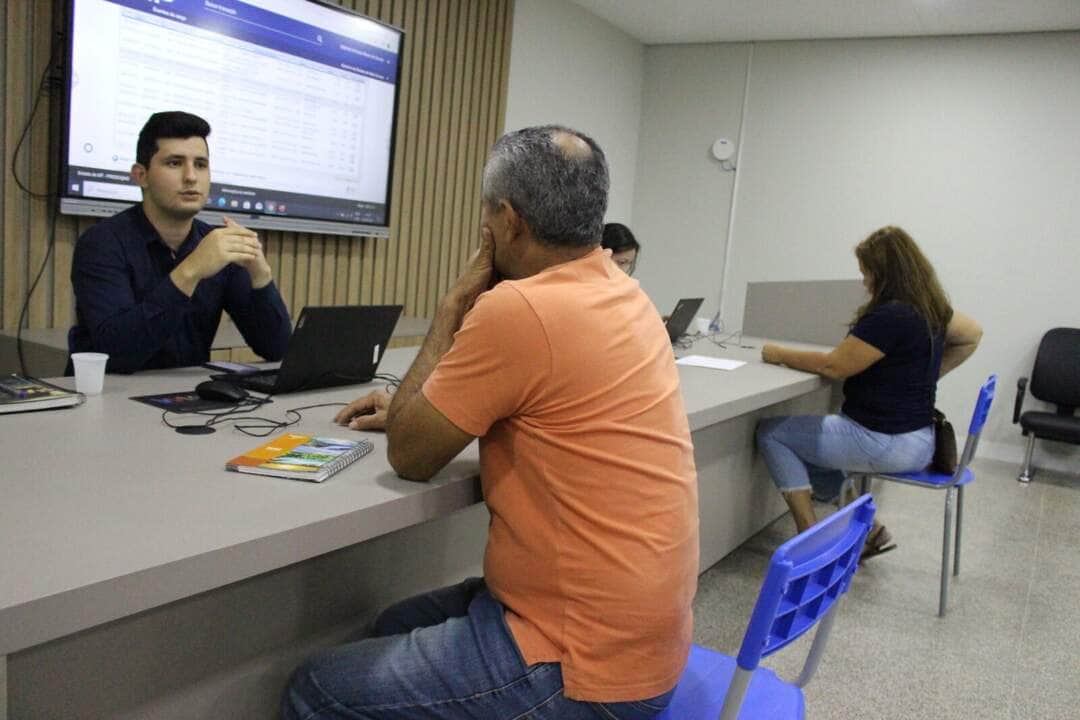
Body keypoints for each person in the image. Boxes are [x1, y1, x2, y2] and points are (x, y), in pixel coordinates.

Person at [282, 126, 699, 719]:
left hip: (583, 661)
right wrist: (420, 409)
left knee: (315, 687)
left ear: (507, 219)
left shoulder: (521, 307)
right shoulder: (623, 293)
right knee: (392, 623)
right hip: (644, 634)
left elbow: (411, 455)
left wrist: (454, 305)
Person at [755, 226, 982, 560]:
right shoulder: (930, 309)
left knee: (773, 434)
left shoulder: (890, 315)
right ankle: (871, 531)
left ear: (884, 273)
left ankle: (810, 541)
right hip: (921, 441)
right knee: (816, 445)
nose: (864, 282)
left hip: (883, 441)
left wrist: (777, 353)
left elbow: (835, 366)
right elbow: (973, 334)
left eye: (867, 273)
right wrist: (928, 375)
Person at [69, 111, 290, 374]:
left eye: (200, 164)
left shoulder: (216, 243)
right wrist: (190, 271)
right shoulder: (101, 244)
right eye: (174, 163)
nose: (191, 177)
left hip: (186, 397)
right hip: (108, 397)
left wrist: (261, 275)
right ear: (141, 175)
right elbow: (118, 352)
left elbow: (277, 348)